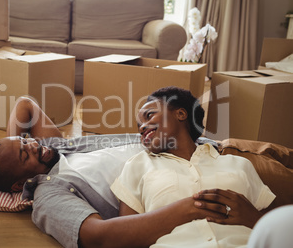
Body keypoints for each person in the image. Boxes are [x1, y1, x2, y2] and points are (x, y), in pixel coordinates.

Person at [0, 92, 270, 248]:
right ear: (20, 184)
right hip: (193, 192)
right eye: (23, 154)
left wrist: (20, 146)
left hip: (210, 154)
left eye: (26, 139)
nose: (31, 145)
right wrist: (190, 208)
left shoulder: (58, 147)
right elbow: (98, 236)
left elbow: (25, 104)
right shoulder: (49, 194)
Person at [110, 86, 276, 247]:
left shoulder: (239, 164)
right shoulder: (137, 165)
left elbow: (280, 226)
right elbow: (125, 237)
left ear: (180, 114)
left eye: (149, 115)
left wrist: (253, 218)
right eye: (139, 126)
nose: (142, 128)